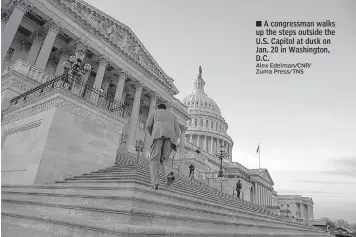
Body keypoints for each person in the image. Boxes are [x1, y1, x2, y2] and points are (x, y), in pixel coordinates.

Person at [146, 103, 180, 190]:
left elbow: (148, 125)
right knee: (164, 159)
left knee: (154, 160)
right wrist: (174, 143)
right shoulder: (173, 116)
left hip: (158, 135)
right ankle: (170, 173)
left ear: (158, 108)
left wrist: (153, 134)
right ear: (165, 109)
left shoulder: (155, 112)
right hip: (170, 138)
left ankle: (155, 183)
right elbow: (178, 132)